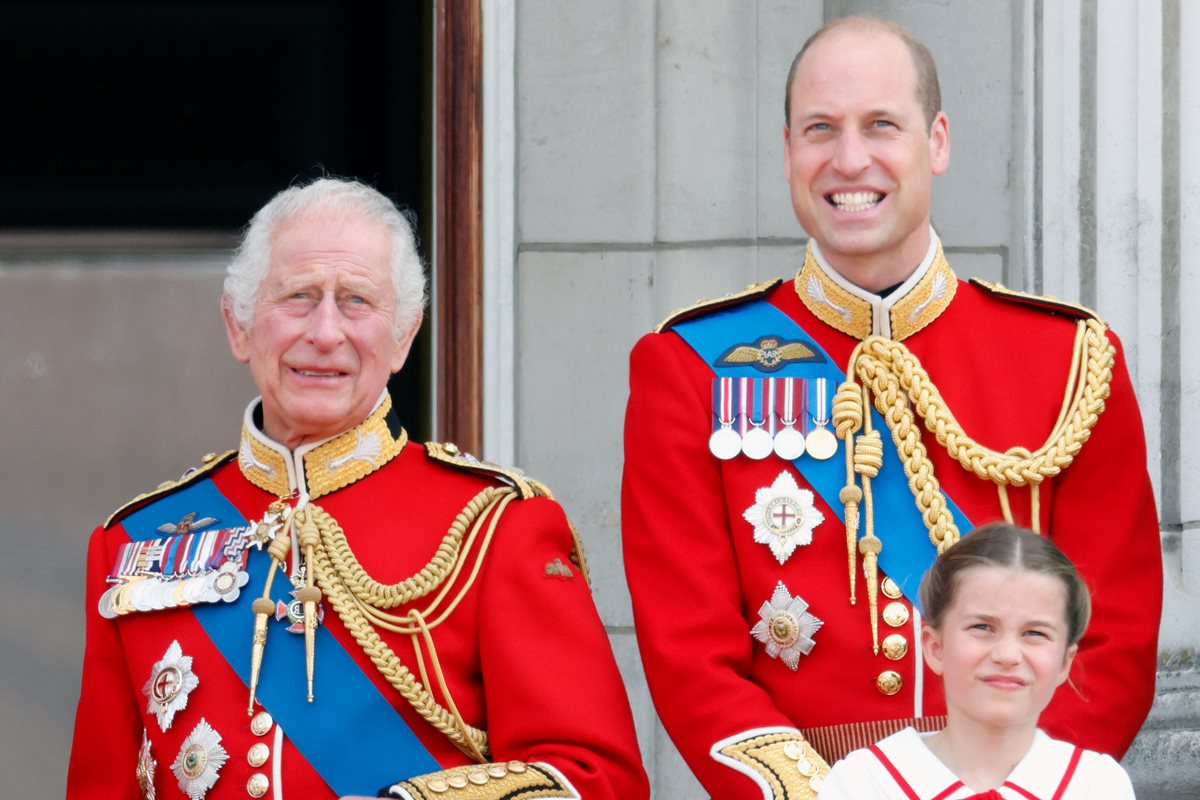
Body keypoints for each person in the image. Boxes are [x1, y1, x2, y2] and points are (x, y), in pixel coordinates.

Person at [621, 14, 1161, 799]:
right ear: (786, 151)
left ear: (936, 141)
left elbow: (1112, 639)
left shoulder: (1071, 361)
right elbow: (691, 654)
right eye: (820, 129)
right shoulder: (689, 368)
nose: (849, 159)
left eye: (881, 125)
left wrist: (1012, 788)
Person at [67, 178, 649, 800]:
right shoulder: (130, 546)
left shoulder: (494, 526)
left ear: (403, 336)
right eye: (297, 296)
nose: (325, 331)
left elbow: (595, 782)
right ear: (238, 326)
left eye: (356, 302)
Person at [818, 523, 1135, 799]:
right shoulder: (862, 784)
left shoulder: (1098, 786)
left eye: (1035, 633)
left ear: (1065, 663)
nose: (1007, 656)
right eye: (982, 627)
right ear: (935, 648)